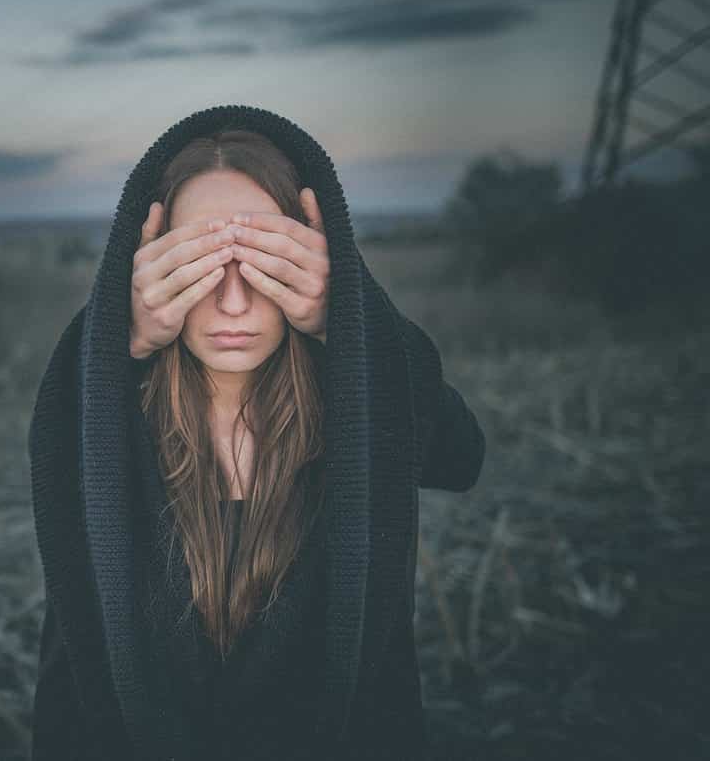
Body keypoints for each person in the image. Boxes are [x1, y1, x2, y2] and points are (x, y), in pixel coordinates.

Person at [26, 104, 486, 761]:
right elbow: (54, 447)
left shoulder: (357, 406)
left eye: (268, 260)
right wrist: (114, 335)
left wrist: (349, 314)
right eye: (199, 263)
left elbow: (461, 456)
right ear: (150, 264)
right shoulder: (110, 415)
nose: (234, 303)